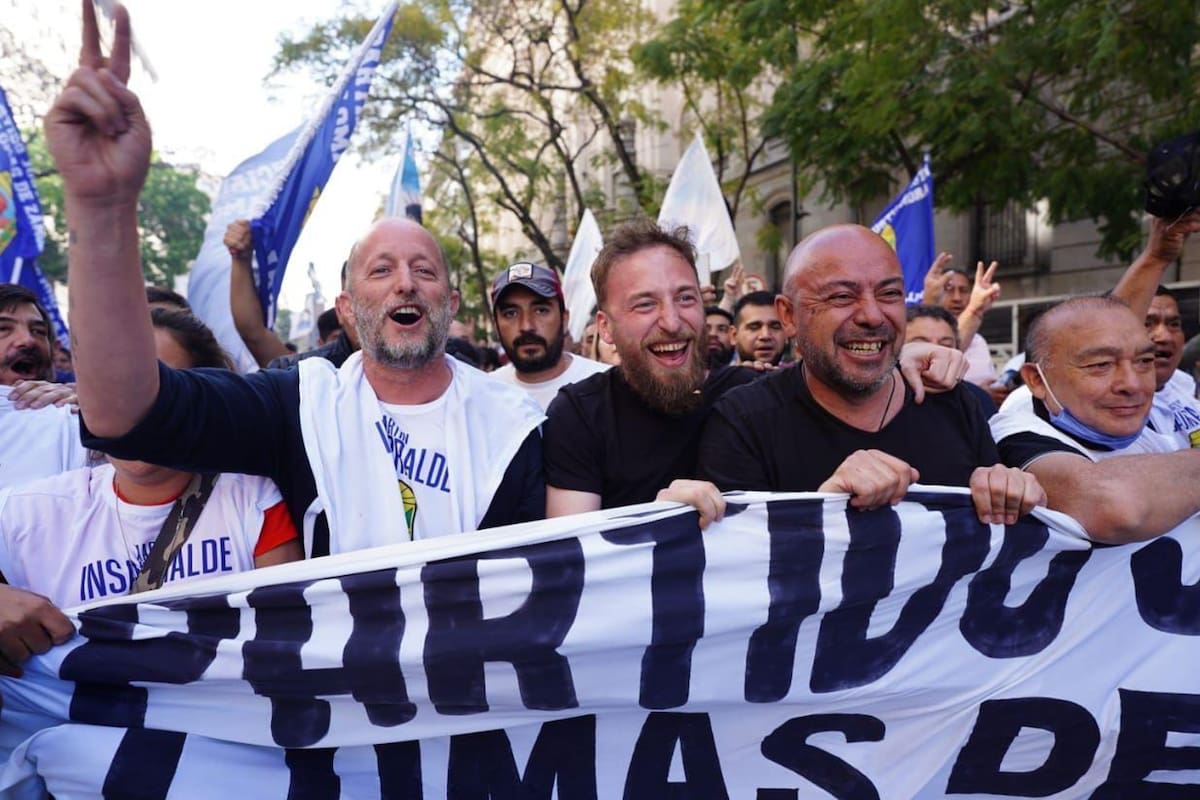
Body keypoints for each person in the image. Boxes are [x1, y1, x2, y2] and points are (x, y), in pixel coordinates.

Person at [45, 3, 545, 557]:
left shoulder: (516, 424)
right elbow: (128, 416)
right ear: (349, 309)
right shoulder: (299, 402)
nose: (405, 282)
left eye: (423, 270)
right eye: (381, 270)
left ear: (449, 305)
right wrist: (101, 206)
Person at [544, 219, 970, 525]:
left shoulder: (749, 399)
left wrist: (897, 354)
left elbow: (831, 363)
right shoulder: (580, 415)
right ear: (605, 328)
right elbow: (572, 560)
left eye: (686, 298)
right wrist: (656, 526)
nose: (672, 321)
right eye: (644, 304)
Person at [0, 309, 303, 676]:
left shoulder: (252, 500)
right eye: (111, 390)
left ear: (203, 402)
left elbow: (291, 646)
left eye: (161, 396)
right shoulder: (25, 514)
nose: (133, 416)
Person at [698, 225, 1043, 525]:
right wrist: (826, 507)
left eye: (889, 294)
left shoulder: (956, 404)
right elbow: (742, 574)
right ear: (789, 316)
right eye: (842, 296)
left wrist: (1013, 495)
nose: (872, 316)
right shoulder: (743, 422)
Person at [989, 295, 1200, 542]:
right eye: (1101, 365)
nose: (1132, 384)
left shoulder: (1162, 416)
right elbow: (1115, 507)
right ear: (1036, 380)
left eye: (1144, 361)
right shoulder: (1017, 431)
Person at [0, 284, 89, 488]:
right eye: (3, 328)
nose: (27, 340)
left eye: (39, 331)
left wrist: (103, 409)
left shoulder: (74, 423)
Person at [490, 261, 608, 411]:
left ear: (564, 319)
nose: (526, 326)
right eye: (511, 313)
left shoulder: (605, 385)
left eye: (541, 310)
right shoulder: (483, 394)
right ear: (496, 325)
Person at [924, 254, 1002, 395]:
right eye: (949, 289)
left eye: (963, 291)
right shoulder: (919, 338)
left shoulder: (979, 341)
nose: (957, 298)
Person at [906, 305, 997, 417]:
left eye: (945, 345)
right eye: (921, 344)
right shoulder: (886, 397)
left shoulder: (976, 399)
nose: (936, 352)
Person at [732, 291, 787, 367]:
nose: (765, 335)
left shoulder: (802, 378)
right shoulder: (717, 378)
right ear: (734, 335)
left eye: (775, 327)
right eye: (754, 327)